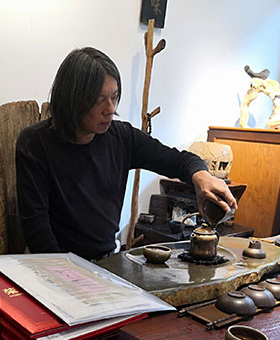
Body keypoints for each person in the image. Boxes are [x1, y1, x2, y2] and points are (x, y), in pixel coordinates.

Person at [16, 47, 237, 261]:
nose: (110, 109)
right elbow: (38, 233)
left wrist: (201, 176)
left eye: (114, 97)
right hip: (51, 263)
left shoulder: (122, 137)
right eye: (99, 100)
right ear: (72, 99)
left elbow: (179, 160)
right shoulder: (35, 143)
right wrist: (67, 275)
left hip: (104, 261)